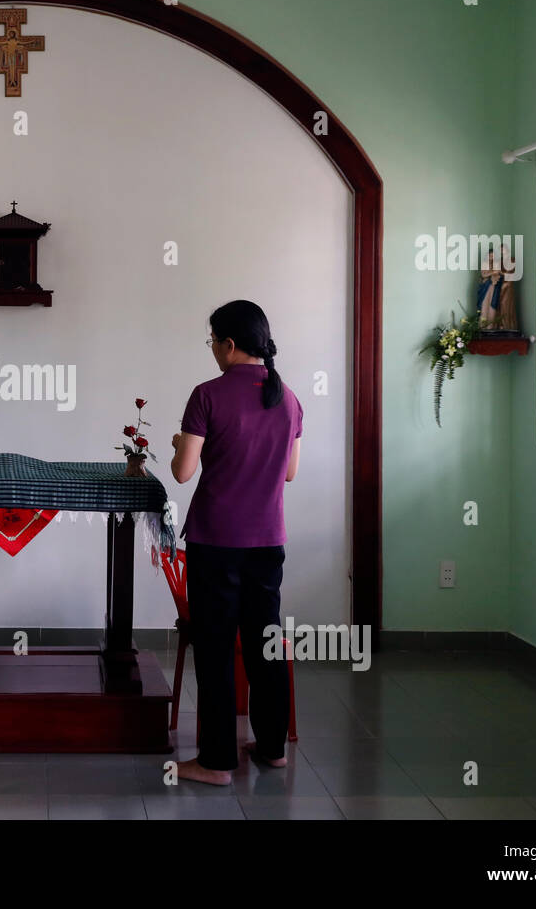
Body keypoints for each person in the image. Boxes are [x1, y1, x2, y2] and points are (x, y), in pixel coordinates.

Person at [169, 299, 302, 785]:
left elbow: (183, 474)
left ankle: (216, 762)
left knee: (217, 648)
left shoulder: (207, 395)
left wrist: (178, 449)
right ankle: (272, 748)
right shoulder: (287, 399)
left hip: (216, 542)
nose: (212, 351)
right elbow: (289, 472)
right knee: (264, 642)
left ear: (228, 344)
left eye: (212, 342)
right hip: (268, 542)